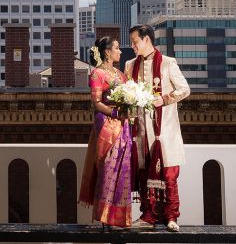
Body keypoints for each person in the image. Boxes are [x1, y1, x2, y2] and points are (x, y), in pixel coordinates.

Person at [124, 24, 190, 232]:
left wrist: (163, 99)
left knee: (169, 175)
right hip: (141, 131)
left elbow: (185, 89)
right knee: (144, 174)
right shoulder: (129, 65)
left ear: (147, 39)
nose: (132, 45)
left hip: (165, 131)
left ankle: (171, 217)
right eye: (131, 42)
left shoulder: (168, 63)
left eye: (135, 41)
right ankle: (148, 216)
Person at [79, 36, 134, 228]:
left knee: (123, 170)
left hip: (123, 126)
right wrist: (115, 112)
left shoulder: (121, 74)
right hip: (107, 127)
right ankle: (105, 219)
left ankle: (119, 218)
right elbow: (96, 102)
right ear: (107, 52)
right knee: (107, 168)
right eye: (117, 48)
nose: (120, 51)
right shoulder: (97, 74)